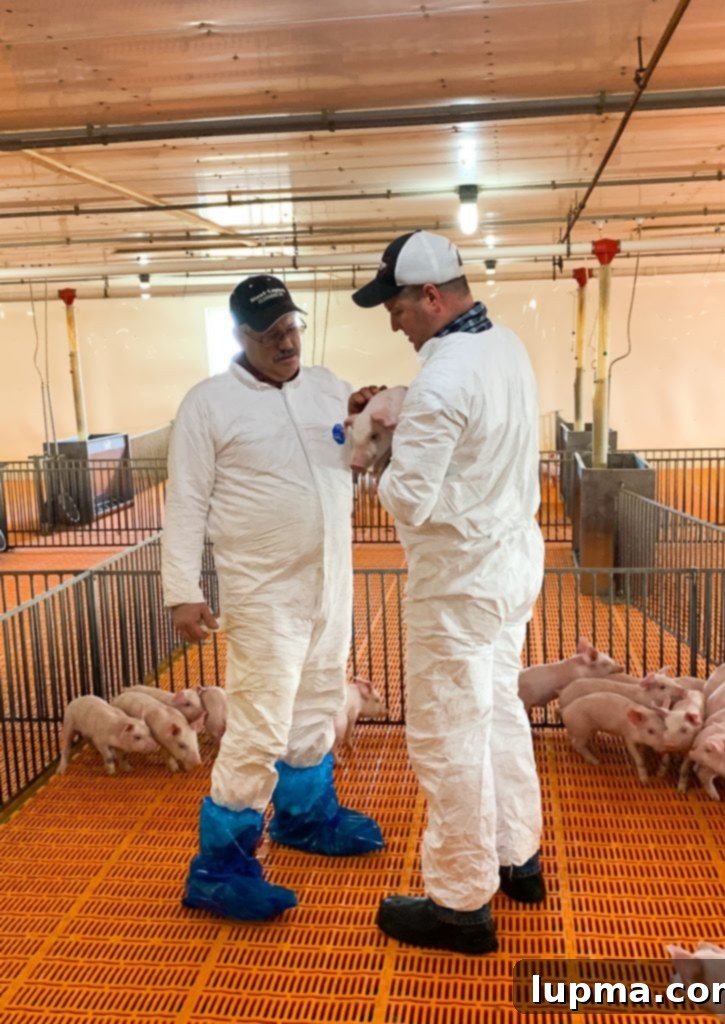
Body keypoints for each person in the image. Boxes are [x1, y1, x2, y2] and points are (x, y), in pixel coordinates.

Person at [161, 274, 384, 922]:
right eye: (270, 334)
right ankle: (220, 867)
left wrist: (367, 419)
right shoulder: (208, 404)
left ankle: (305, 817)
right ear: (241, 336)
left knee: (317, 700)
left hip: (330, 581)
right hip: (263, 595)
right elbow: (186, 501)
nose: (287, 342)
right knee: (258, 723)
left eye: (292, 327)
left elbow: (359, 457)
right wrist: (182, 590)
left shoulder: (327, 386)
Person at [351, 230, 545, 955]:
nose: (394, 323)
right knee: (498, 713)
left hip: (459, 581)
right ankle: (518, 859)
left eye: (397, 308)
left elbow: (409, 499)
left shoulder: (441, 381)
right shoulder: (505, 346)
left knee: (448, 734)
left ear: (430, 296)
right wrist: (403, 409)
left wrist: (378, 450)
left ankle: (460, 903)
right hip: (512, 561)